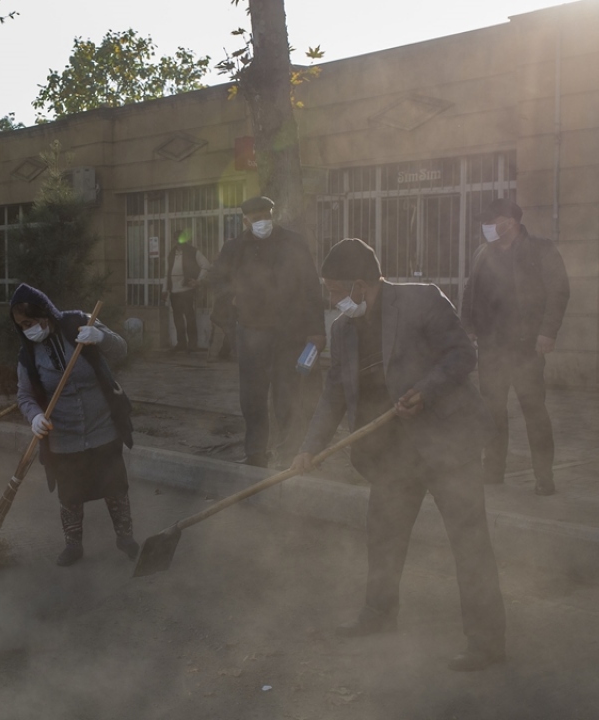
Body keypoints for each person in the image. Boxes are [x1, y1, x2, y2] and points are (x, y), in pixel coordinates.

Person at [291, 238, 506, 672]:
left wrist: (425, 392)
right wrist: (309, 448)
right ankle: (379, 615)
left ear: (358, 285)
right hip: (393, 454)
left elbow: (464, 354)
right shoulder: (343, 329)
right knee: (383, 534)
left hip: (448, 443)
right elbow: (333, 393)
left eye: (334, 291)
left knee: (469, 542)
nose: (331, 302)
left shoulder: (420, 300)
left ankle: (486, 641)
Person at [11, 284, 137, 567]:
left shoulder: (79, 322)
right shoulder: (28, 355)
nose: (28, 329)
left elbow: (121, 349)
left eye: (31, 322)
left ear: (45, 312)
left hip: (102, 426)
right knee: (70, 495)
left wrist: (101, 336)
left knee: (115, 486)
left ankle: (125, 538)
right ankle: (73, 545)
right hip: (63, 436)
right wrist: (34, 416)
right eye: (22, 325)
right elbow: (25, 395)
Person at [206, 196, 325, 467]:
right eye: (256, 218)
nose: (263, 222)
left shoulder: (293, 243)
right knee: (252, 399)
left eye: (266, 215)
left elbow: (310, 287)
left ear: (273, 214)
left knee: (288, 397)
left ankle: (289, 454)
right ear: (245, 221)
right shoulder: (235, 248)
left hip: (289, 334)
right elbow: (216, 280)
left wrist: (317, 330)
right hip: (251, 333)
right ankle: (256, 454)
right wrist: (233, 301)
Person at [461, 199, 569, 496]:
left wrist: (548, 332)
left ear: (510, 221)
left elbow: (559, 290)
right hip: (491, 346)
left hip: (526, 347)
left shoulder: (541, 249)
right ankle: (493, 471)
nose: (487, 227)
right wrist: (468, 327)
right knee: (492, 410)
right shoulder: (483, 253)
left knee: (534, 410)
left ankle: (544, 477)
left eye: (492, 220)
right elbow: (471, 290)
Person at [163, 237, 211, 351]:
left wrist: (198, 281)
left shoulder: (193, 251)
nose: (177, 244)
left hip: (186, 290)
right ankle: (181, 343)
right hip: (174, 291)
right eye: (175, 241)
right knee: (177, 318)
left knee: (189, 317)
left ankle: (192, 344)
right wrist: (164, 289)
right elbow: (167, 273)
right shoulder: (171, 254)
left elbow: (206, 266)